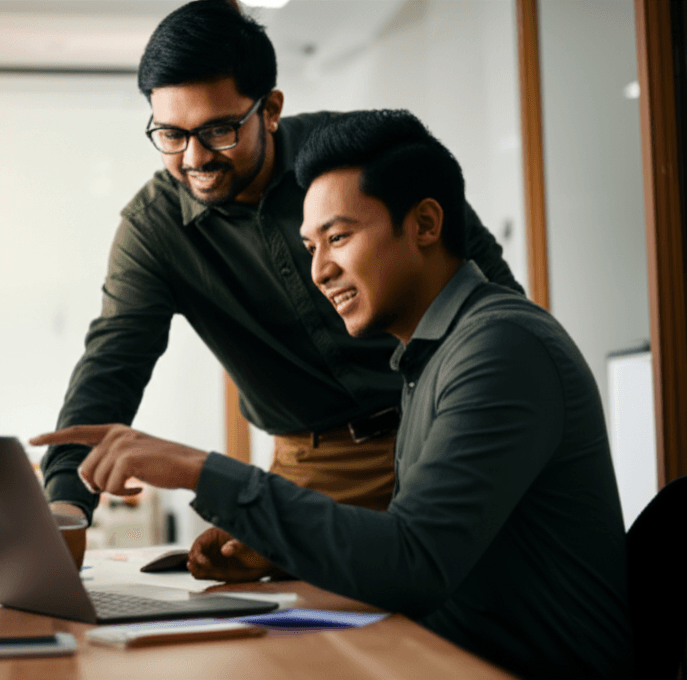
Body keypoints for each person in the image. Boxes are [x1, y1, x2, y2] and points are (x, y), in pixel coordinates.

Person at [33, 110, 633, 680]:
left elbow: (412, 563)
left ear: (425, 224)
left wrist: (200, 471)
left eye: (338, 237)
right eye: (310, 246)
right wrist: (281, 552)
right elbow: (412, 549)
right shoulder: (434, 354)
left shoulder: (499, 349)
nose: (319, 271)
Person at [42, 0, 522, 578]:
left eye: (218, 130)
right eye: (170, 134)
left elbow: (492, 304)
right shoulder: (154, 226)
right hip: (313, 470)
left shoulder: (362, 160)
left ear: (269, 109)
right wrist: (65, 504)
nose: (194, 158)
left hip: (438, 433)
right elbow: (112, 361)